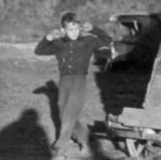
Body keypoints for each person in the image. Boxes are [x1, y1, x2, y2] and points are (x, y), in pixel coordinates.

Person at [35, 11, 112, 159]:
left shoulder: (88, 42)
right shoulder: (58, 44)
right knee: (65, 115)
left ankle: (60, 147)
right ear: (63, 30)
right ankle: (85, 141)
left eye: (77, 28)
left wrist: (94, 29)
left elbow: (107, 40)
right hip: (64, 82)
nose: (74, 32)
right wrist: (47, 38)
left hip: (79, 81)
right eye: (70, 29)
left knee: (69, 114)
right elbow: (38, 51)